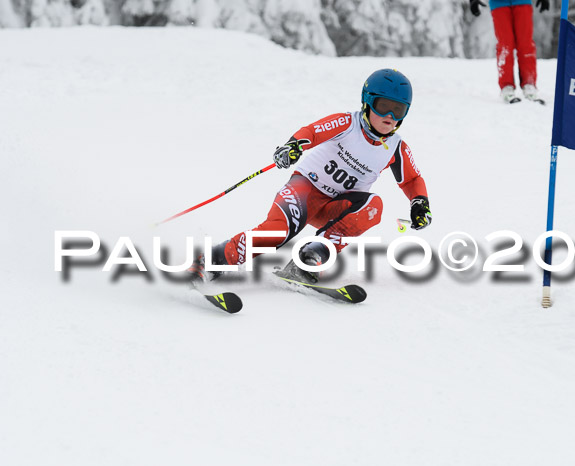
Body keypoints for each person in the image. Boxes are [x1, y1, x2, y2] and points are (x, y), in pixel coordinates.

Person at [188, 68, 432, 284]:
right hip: (304, 191)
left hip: (335, 207)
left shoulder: (397, 148)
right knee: (276, 233)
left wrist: (419, 203)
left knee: (373, 207)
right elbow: (313, 132)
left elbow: (411, 179)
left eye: (398, 110)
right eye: (383, 106)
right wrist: (293, 145)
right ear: (367, 103)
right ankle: (210, 261)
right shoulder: (348, 123)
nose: (390, 116)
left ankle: (309, 259)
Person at [468, 0, 549, 103]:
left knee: (525, 44)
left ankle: (529, 84)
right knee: (505, 45)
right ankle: (507, 87)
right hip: (498, 4)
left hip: (522, 2)